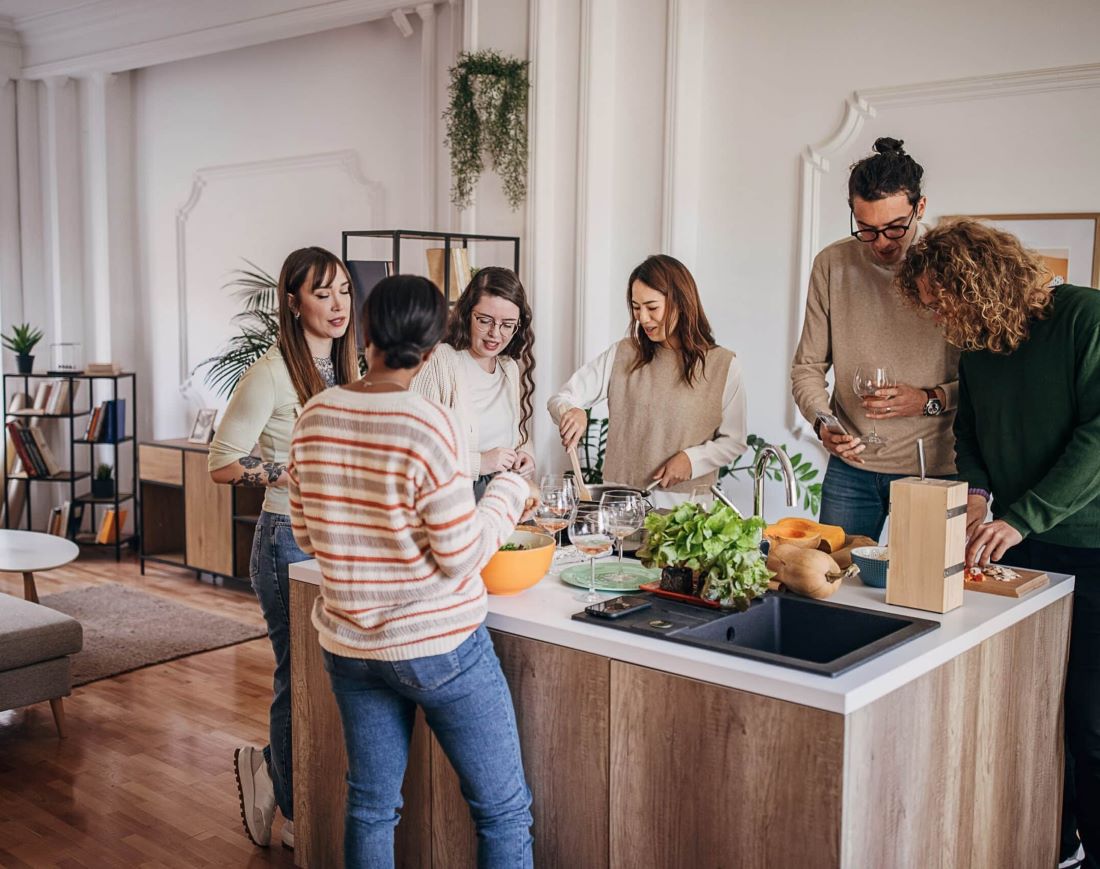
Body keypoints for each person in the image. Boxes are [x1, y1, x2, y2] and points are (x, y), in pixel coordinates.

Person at [288, 274, 537, 868]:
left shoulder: (315, 416)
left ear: (366, 333)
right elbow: (460, 557)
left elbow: (306, 535)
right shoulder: (430, 423)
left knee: (372, 808)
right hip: (439, 646)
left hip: (352, 647)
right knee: (502, 811)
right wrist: (508, 490)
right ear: (432, 351)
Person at [898, 219, 1100, 869]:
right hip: (1020, 546)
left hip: (1089, 546)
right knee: (1029, 708)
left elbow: (1098, 438)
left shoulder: (1084, 318)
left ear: (976, 282)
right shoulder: (977, 346)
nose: (933, 314)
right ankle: (1055, 843)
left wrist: (1023, 517)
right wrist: (979, 496)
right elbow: (973, 437)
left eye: (937, 299)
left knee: (1092, 723)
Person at [208, 246, 359, 849]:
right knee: (297, 674)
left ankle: (275, 766)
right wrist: (285, 471)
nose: (338, 304)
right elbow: (221, 463)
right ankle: (294, 808)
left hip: (341, 539)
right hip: (286, 540)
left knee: (330, 676)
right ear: (293, 304)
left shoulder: (352, 369)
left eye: (344, 289)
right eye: (322, 293)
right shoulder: (270, 372)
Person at [791, 137, 960, 540]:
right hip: (851, 471)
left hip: (933, 469)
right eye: (867, 230)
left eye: (894, 228)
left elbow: (990, 381)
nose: (882, 242)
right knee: (832, 590)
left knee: (922, 596)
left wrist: (928, 399)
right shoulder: (832, 264)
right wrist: (823, 421)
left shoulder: (951, 265)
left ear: (920, 207)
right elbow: (807, 368)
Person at [548, 253, 747, 503]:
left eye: (652, 308)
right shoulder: (623, 354)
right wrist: (571, 411)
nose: (642, 318)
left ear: (681, 302)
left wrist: (691, 460)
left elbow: (734, 441)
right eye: (636, 307)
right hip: (621, 508)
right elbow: (562, 398)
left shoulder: (723, 366)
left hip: (688, 513)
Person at [411, 267, 536, 497]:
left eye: (507, 325)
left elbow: (515, 435)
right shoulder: (439, 360)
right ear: (467, 313)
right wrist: (479, 463)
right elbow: (416, 451)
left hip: (500, 502)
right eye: (485, 320)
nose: (495, 334)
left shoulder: (508, 367)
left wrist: (525, 453)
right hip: (450, 507)